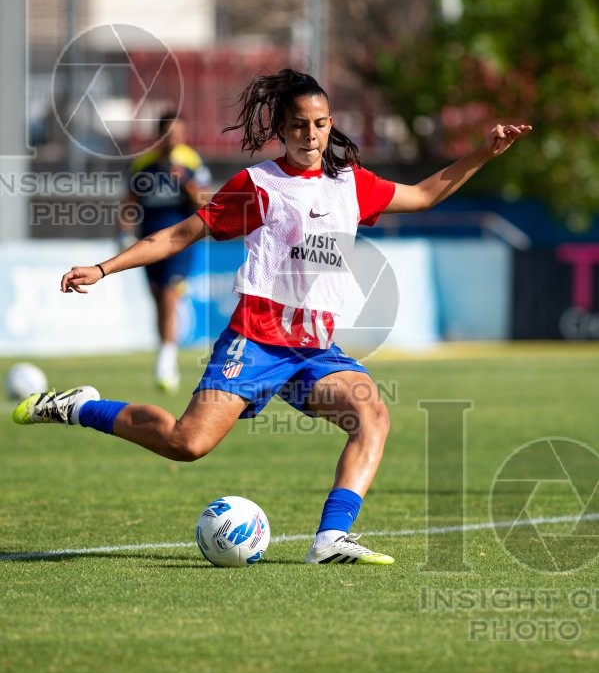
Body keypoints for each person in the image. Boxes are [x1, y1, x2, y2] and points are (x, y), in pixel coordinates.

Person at [13, 69, 532, 565]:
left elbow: (423, 195)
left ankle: (331, 536)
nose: (311, 134)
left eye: (321, 123)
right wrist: (105, 268)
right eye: (300, 124)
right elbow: (179, 235)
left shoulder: (351, 184)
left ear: (331, 124)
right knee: (185, 443)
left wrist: (485, 151)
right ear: (281, 129)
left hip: (313, 351)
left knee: (371, 414)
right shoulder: (258, 185)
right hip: (255, 341)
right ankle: (81, 407)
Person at [123, 110, 213, 391]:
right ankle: (165, 350)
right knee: (157, 296)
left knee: (168, 294)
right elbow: (129, 202)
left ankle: (166, 362)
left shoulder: (191, 162)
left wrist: (185, 180)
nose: (174, 139)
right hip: (149, 241)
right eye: (168, 133)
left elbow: (205, 203)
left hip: (179, 241)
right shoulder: (143, 165)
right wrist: (123, 232)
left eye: (178, 133)